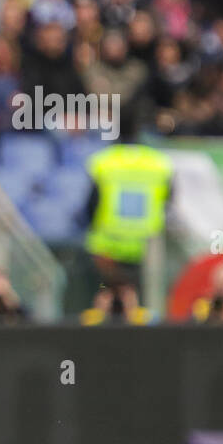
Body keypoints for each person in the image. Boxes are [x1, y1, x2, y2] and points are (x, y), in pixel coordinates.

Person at [81, 132, 174, 325]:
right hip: (144, 247)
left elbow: (90, 204)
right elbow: (169, 200)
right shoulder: (159, 163)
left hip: (107, 247)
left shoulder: (103, 161)